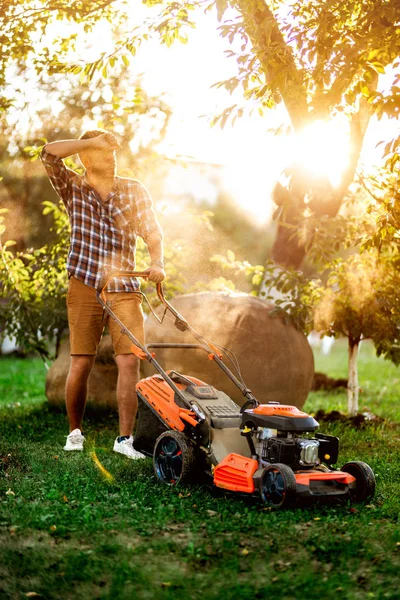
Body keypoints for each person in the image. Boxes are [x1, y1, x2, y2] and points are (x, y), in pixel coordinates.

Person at [40, 129, 165, 459]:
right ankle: (75, 433)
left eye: (112, 152)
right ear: (85, 158)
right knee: (81, 362)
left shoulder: (133, 190)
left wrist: (157, 263)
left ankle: (125, 440)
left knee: (129, 361)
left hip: (124, 285)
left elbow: (152, 232)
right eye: (102, 152)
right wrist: (89, 143)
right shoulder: (73, 187)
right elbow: (48, 153)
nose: (111, 157)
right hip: (84, 283)